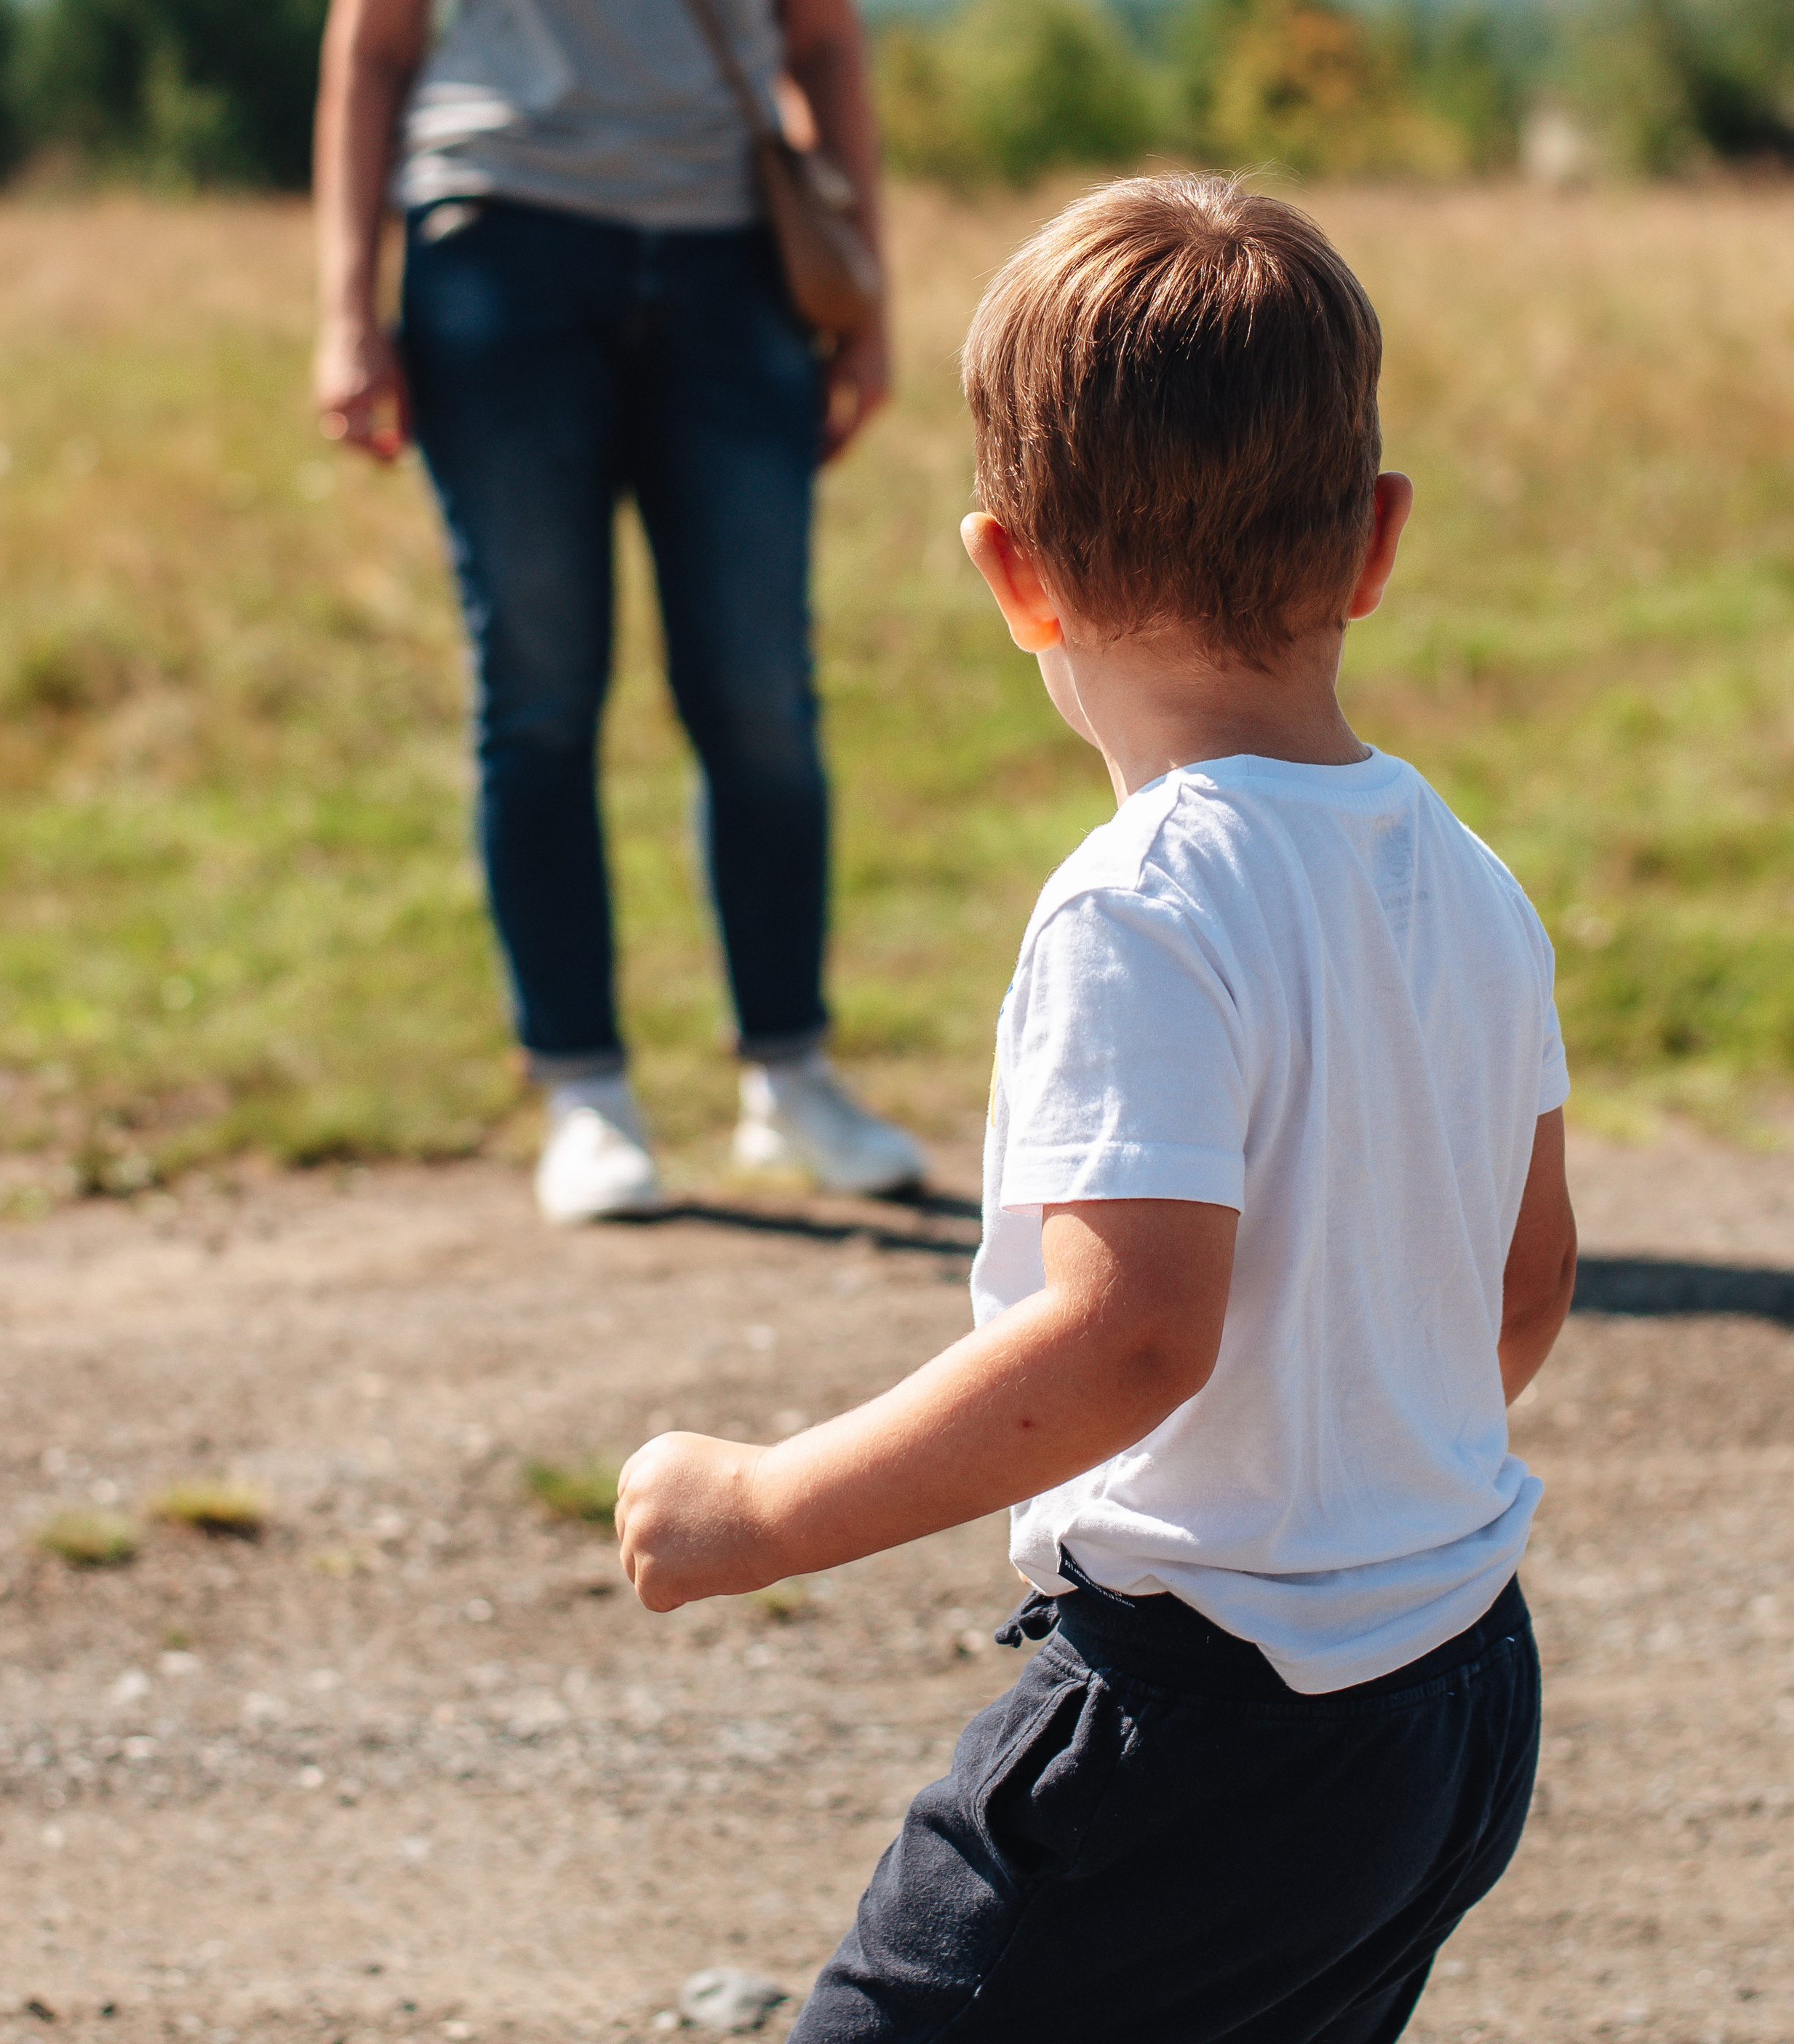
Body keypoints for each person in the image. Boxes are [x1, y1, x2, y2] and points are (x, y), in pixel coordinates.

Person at [615, 175, 1579, 2043]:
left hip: (1202, 1729)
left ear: (1009, 571)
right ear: (1375, 541)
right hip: (1449, 1700)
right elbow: (1519, 1291)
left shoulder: (1141, 898)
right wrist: (1356, 1456)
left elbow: (1129, 1335)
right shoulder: (1463, 877)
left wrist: (755, 1507)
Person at [311, 0, 925, 1223]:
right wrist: (349, 304)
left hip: (737, 276)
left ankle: (789, 1074)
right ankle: (585, 1091)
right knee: (545, 691)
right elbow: (368, 54)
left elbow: (823, 32)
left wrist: (872, 291)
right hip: (500, 264)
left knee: (757, 692)